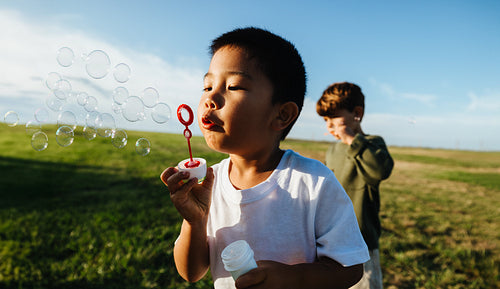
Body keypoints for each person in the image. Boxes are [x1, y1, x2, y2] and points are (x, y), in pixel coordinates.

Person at [161, 27, 369, 289]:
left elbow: (350, 267)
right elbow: (191, 272)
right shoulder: (208, 184)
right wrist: (194, 220)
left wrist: (291, 278)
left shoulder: (314, 181)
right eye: (207, 85)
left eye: (233, 86)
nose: (210, 98)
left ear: (282, 115)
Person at [316, 82, 394, 289]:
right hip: (331, 240)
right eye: (325, 119)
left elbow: (380, 170)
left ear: (357, 113)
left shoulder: (372, 143)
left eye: (334, 117)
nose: (329, 126)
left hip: (361, 242)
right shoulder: (333, 150)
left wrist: (354, 141)